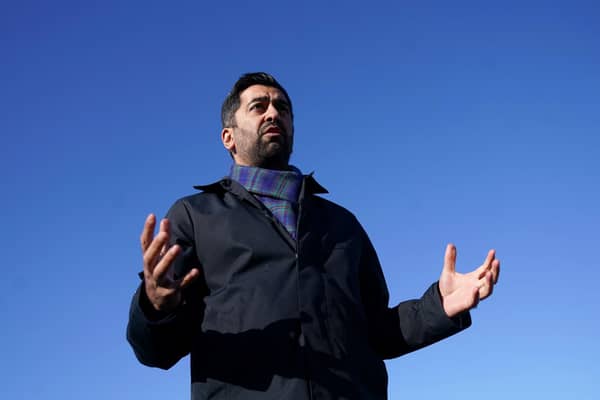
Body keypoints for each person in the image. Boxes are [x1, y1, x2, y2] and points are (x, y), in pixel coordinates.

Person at [127, 72, 500, 399]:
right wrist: (156, 305)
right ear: (229, 136)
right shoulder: (195, 216)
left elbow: (379, 332)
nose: (274, 113)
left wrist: (440, 306)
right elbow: (155, 352)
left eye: (283, 108)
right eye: (258, 106)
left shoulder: (343, 225)